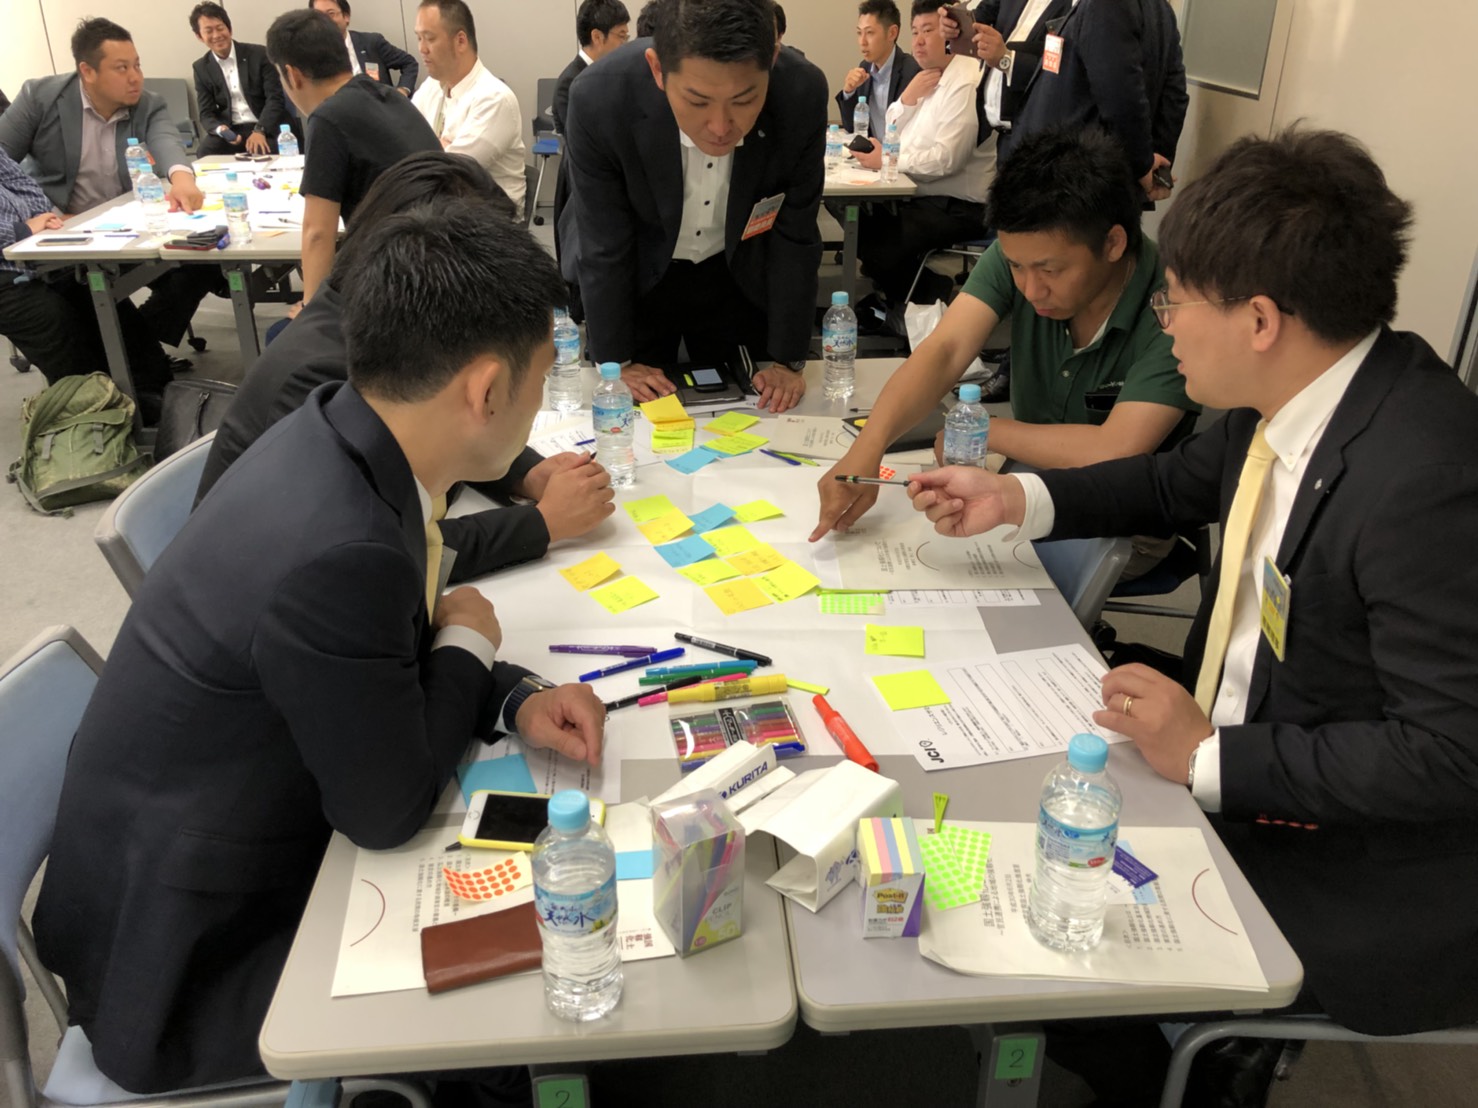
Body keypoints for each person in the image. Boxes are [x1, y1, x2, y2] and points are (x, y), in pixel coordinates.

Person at [907, 127, 1478, 1104]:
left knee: (1041, 937)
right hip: (1244, 749)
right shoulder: (1293, 395)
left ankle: (1204, 1071)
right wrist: (1014, 498)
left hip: (1350, 858)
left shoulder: (1421, 475)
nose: (1163, 324)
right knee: (992, 815)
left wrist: (1209, 757)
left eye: (1175, 301)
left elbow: (1451, 753)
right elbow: (1169, 483)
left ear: (1258, 319)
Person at [33, 200, 607, 1096]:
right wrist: (466, 638)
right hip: (191, 962)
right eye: (541, 380)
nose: (540, 406)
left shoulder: (344, 427)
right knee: (526, 987)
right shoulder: (342, 546)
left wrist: (509, 695)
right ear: (488, 390)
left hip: (196, 847)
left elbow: (373, 659)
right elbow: (387, 809)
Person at [197, 149, 616, 580]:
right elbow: (379, 548)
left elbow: (442, 434)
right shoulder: (328, 373)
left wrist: (526, 474)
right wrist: (541, 523)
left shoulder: (363, 315)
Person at [814, 127, 1196, 556]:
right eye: (1016, 267)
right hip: (1024, 483)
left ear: (1112, 243)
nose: (1031, 290)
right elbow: (946, 351)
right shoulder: (1025, 251)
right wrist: (867, 448)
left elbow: (1116, 449)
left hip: (1120, 522)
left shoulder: (1175, 308)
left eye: (1050, 271)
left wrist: (987, 430)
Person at [561, 0, 827, 414]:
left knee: (753, 413)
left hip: (738, 270)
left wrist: (787, 360)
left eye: (744, 99)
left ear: (772, 61)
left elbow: (796, 232)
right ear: (658, 69)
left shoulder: (801, 93)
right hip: (639, 269)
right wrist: (617, 363)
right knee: (639, 417)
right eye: (698, 101)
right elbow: (603, 241)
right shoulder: (601, 97)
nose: (721, 127)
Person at [0, 18, 215, 410]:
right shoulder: (40, 98)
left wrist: (182, 177)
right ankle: (112, 387)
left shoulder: (146, 103)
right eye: (121, 67)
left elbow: (165, 140)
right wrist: (27, 221)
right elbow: (3, 164)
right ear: (87, 71)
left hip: (118, 229)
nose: (135, 77)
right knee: (78, 321)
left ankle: (143, 348)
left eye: (137, 64)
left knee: (201, 262)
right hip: (59, 236)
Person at [267, 8, 440, 306]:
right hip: (446, 261)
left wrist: (310, 311)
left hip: (407, 285)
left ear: (292, 75)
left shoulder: (328, 117)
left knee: (284, 331)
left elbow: (318, 233)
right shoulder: (388, 96)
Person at [848, 1, 995, 309]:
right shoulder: (931, 75)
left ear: (952, 34)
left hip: (961, 206)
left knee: (878, 241)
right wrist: (907, 98)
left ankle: (927, 294)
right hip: (926, 195)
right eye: (915, 32)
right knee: (859, 221)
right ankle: (913, 294)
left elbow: (946, 159)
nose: (918, 41)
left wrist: (887, 160)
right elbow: (894, 134)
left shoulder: (965, 80)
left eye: (928, 31)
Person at [0, 147, 174, 405]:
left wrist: (38, 219)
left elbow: (22, 183)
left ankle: (154, 388)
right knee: (55, 322)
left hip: (32, 255)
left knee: (99, 294)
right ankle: (96, 409)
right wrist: (21, 230)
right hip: (7, 273)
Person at [1005, 0, 1178, 202]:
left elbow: (1120, 98)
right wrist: (1155, 166)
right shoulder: (1162, 10)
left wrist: (1143, 165)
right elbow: (1174, 94)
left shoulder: (1107, 5)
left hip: (1072, 183)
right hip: (1089, 181)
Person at [410, 0, 527, 211]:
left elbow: (450, 173)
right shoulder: (432, 86)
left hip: (489, 218)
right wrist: (440, 146)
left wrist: (429, 151)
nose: (422, 49)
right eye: (419, 38)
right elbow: (403, 141)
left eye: (430, 38)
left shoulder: (494, 98)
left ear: (461, 41)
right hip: (441, 208)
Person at [189, 3, 289, 157]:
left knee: (266, 150)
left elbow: (275, 99)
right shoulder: (201, 67)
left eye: (220, 28)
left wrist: (260, 130)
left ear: (229, 29)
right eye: (208, 31)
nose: (216, 35)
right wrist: (220, 130)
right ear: (199, 36)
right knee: (205, 152)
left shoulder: (259, 54)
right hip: (231, 131)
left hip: (264, 126)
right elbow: (206, 113)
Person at [836, 0, 921, 143]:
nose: (862, 42)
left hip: (901, 153)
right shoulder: (864, 68)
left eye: (869, 33)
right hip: (872, 154)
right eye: (859, 33)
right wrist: (849, 92)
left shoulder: (912, 71)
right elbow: (852, 129)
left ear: (892, 33)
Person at [553, 0, 632, 135]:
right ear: (597, 37)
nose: (625, 44)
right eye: (621, 36)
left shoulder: (615, 74)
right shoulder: (569, 83)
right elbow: (579, 139)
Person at [308, 0, 419, 93]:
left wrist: (403, 91)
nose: (325, 21)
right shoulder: (313, 56)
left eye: (330, 14)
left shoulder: (371, 42)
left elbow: (409, 63)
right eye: (318, 16)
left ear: (346, 16)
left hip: (380, 109)